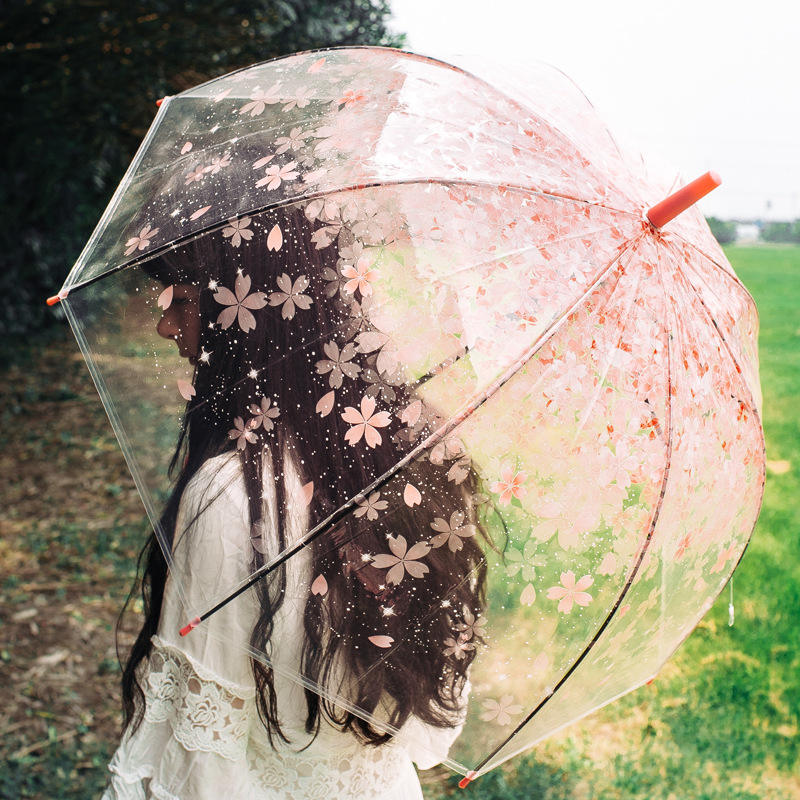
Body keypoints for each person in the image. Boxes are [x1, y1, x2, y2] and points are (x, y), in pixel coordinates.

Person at [102, 201, 488, 799]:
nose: (166, 326)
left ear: (248, 314)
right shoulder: (408, 467)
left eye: (182, 299)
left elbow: (202, 763)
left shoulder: (232, 500)